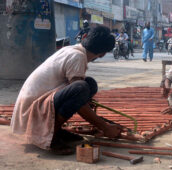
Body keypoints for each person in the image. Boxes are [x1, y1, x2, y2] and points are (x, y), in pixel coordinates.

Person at [11, 25, 122, 155]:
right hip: (33, 110)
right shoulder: (78, 57)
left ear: (85, 37)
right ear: (103, 54)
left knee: (89, 84)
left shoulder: (71, 49)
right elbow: (79, 101)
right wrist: (104, 127)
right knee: (81, 88)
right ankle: (49, 135)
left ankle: (55, 130)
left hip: (32, 105)